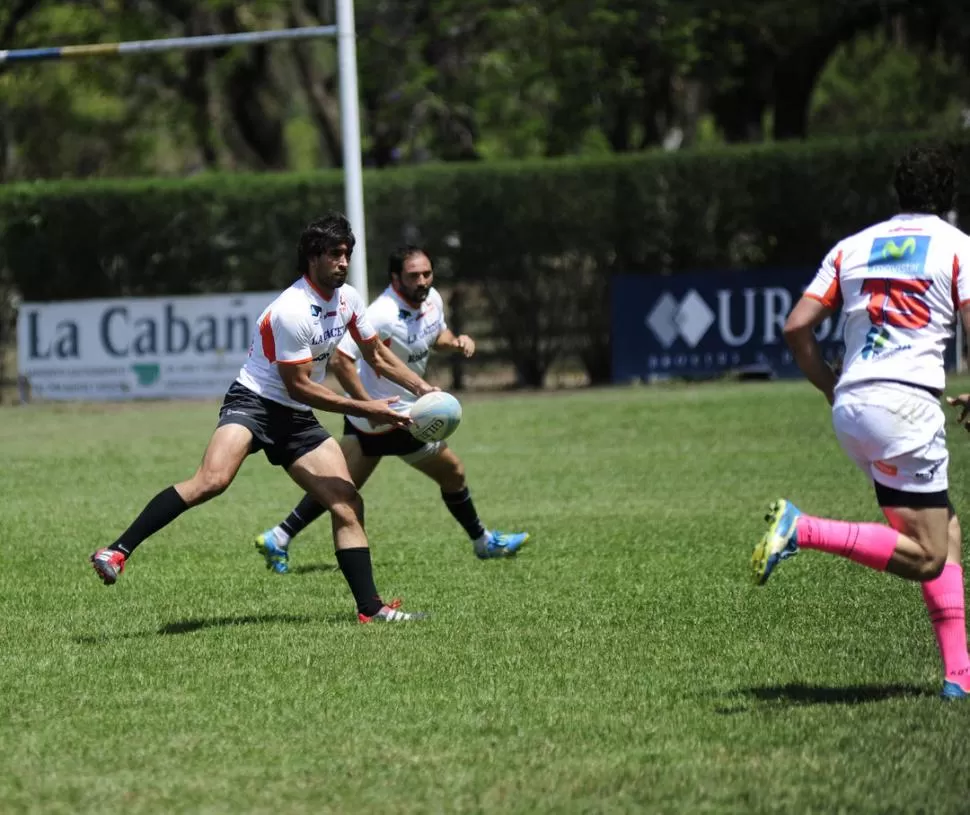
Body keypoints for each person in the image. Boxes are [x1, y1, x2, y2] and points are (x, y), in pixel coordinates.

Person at [90, 213, 435, 623]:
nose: (343, 262)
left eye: (347, 254)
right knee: (211, 481)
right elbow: (300, 387)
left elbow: (376, 355)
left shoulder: (348, 300)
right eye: (334, 254)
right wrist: (367, 408)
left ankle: (370, 610)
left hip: (294, 417)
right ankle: (117, 550)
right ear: (312, 257)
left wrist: (421, 389)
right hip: (253, 402)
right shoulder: (291, 310)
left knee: (346, 503)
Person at [751, 145, 970, 700]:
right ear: (950, 197)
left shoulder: (853, 247)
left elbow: (797, 328)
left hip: (853, 404)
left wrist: (827, 384)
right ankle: (803, 529)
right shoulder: (957, 247)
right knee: (926, 556)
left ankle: (958, 676)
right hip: (907, 408)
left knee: (944, 525)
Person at [253, 245, 530, 574]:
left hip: (385, 414)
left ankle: (279, 536)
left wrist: (455, 342)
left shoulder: (431, 299)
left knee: (340, 487)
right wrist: (368, 406)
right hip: (390, 417)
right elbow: (342, 360)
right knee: (451, 471)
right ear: (396, 278)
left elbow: (435, 334)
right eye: (414, 276)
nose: (422, 281)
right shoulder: (382, 313)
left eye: (427, 274)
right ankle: (483, 542)